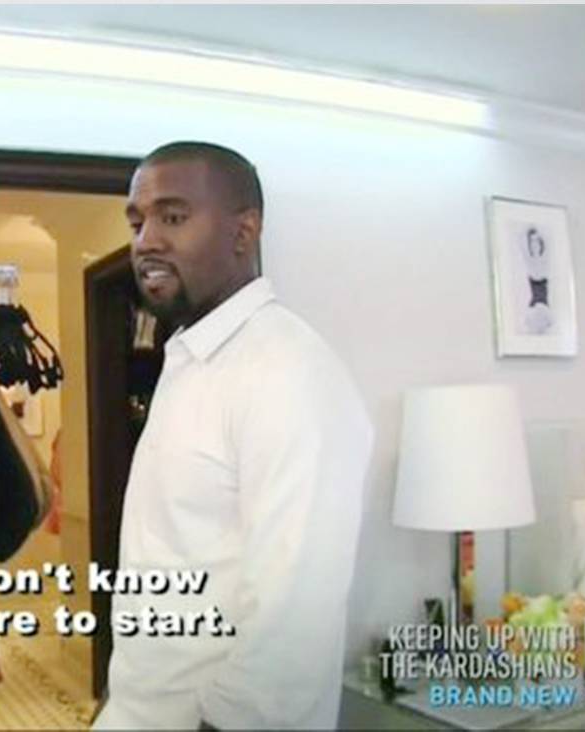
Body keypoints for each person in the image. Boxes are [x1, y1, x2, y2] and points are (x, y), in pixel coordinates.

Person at [92, 142, 374, 730]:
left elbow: (291, 630)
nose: (145, 242)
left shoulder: (288, 372)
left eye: (173, 217)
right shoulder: (190, 358)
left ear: (244, 232)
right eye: (137, 223)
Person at [522, 227, 553, 335]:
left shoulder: (545, 260)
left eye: (536, 242)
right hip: (535, 304)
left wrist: (538, 235)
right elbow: (523, 247)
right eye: (532, 242)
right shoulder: (529, 261)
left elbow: (547, 243)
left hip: (543, 304)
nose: (535, 245)